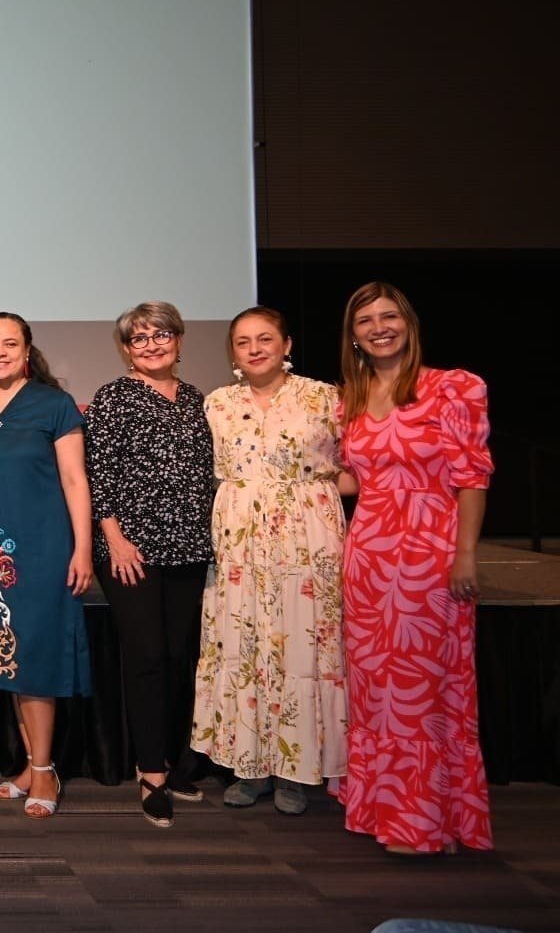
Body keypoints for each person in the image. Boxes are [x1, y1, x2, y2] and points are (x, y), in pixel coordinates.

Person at [337, 281, 493, 855]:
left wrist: (467, 553)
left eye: (388, 316)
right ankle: (381, 808)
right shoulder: (348, 398)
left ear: (408, 322)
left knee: (422, 690)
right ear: (352, 337)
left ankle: (424, 821)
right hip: (368, 553)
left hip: (430, 552)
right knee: (376, 687)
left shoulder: (453, 387)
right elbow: (357, 478)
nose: (378, 327)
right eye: (364, 321)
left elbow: (472, 476)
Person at [193, 306, 347, 816]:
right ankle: (248, 766)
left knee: (302, 648)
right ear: (232, 352)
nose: (255, 348)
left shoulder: (325, 398)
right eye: (242, 341)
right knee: (243, 643)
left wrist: (314, 502)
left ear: (287, 343)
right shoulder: (217, 403)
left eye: (265, 338)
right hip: (238, 542)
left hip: (307, 541)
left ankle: (295, 771)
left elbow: (357, 468)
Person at [84, 301, 214, 828]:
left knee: (178, 656)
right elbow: (98, 474)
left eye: (161, 334)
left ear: (179, 340)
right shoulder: (114, 397)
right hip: (131, 552)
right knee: (145, 658)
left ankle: (177, 761)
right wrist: (114, 539)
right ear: (126, 349)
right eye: (139, 338)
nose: (152, 344)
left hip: (188, 547)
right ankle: (151, 772)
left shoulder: (196, 399)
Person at [0, 312, 93, 819]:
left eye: (10, 343)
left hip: (44, 550)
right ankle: (29, 762)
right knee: (6, 655)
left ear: (27, 348)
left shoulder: (54, 403)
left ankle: (45, 770)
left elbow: (74, 479)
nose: (0, 351)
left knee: (38, 658)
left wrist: (82, 548)